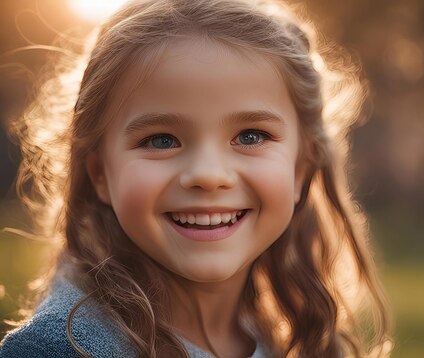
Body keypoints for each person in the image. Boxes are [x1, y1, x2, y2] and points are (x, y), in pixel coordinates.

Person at [0, 0, 392, 356]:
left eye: (251, 136)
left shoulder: (284, 339)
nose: (207, 175)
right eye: (161, 139)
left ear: (299, 171)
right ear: (101, 174)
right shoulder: (60, 348)